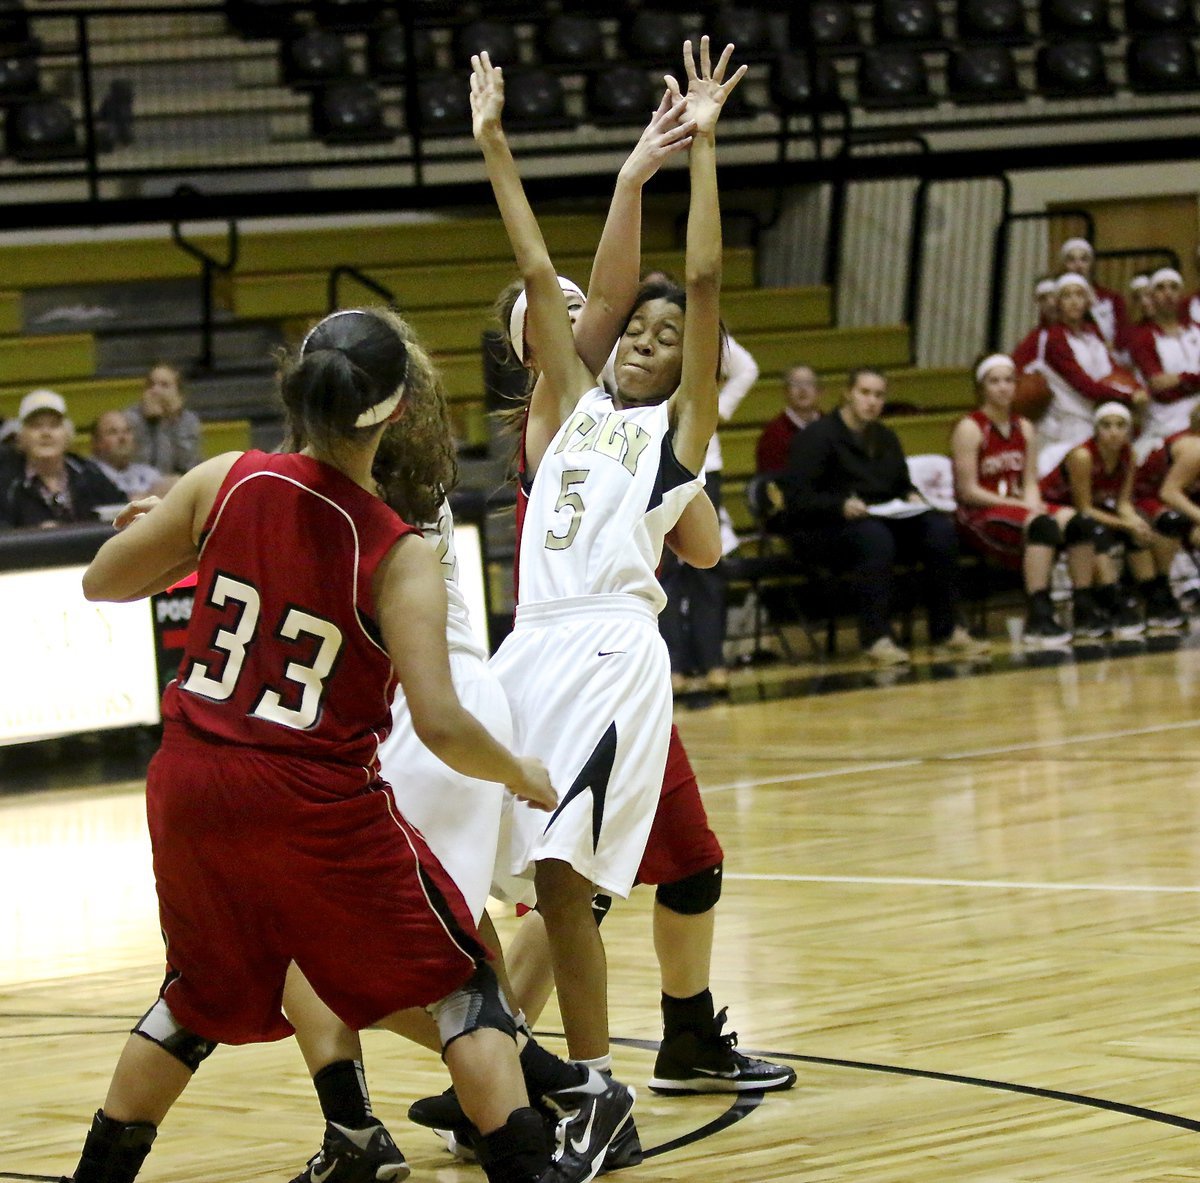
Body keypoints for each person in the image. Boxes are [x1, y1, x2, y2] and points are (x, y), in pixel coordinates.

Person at [58, 307, 573, 1183]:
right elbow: (441, 724)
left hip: (189, 783)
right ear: (397, 408)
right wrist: (524, 772)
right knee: (464, 987)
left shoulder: (225, 480)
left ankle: (95, 1177)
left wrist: (182, 537)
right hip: (309, 797)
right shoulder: (395, 549)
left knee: (193, 999)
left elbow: (103, 581)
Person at [275, 316, 637, 1183]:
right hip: (469, 702)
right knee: (459, 936)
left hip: (410, 717)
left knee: (308, 944)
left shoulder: (331, 482)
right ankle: (495, 1105)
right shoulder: (418, 463)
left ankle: (513, 1085)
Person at [472, 35, 745, 1104]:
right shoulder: (564, 411)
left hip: (609, 657)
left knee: (576, 882)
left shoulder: (659, 430)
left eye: (652, 327)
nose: (615, 319)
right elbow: (547, 274)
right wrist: (495, 146)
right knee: (547, 886)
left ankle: (564, 1073)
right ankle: (506, 1058)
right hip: (539, 652)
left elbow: (697, 283)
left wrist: (683, 160)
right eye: (592, 318)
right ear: (541, 347)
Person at [783, 367, 990, 665]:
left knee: (938, 530)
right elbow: (798, 499)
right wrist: (839, 505)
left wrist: (911, 495)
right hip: (824, 528)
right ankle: (876, 637)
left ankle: (948, 631)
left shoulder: (885, 437)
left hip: (880, 520)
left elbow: (900, 483)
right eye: (865, 393)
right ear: (848, 394)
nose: (872, 401)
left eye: (879, 395)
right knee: (874, 538)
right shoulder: (816, 437)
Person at [950, 353, 1096, 647]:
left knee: (1079, 523)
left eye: (1008, 381)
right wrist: (1024, 508)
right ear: (981, 388)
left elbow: (1029, 481)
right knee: (1041, 525)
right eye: (995, 382)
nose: (1003, 388)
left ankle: (1085, 608)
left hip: (1017, 507)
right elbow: (967, 490)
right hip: (979, 513)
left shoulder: (1024, 427)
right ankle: (1039, 616)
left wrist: (1032, 502)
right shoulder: (970, 427)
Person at [1039, 401, 1184, 635]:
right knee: (1095, 532)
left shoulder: (1129, 455)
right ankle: (1109, 597)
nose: (1114, 432)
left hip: (1095, 511)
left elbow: (1123, 503)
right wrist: (1125, 523)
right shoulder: (1083, 456)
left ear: (1129, 430)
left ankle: (1154, 593)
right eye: (1106, 426)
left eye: (1120, 426)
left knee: (1138, 530)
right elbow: (1083, 507)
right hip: (1058, 510)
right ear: (1096, 429)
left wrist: (1134, 523)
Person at [1038, 273, 1147, 470]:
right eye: (1067, 296)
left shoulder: (1092, 332)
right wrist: (1128, 395)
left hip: (1097, 412)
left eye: (1079, 295)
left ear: (1087, 301)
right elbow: (1083, 384)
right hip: (1069, 419)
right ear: (1058, 302)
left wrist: (1136, 386)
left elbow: (1113, 368)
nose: (1074, 301)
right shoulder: (1055, 338)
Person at [0, 389, 125, 529]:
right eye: (36, 426)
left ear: (67, 434)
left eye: (54, 425)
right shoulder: (6, 484)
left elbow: (123, 510)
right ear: (21, 437)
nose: (46, 433)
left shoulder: (88, 472)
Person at [1126, 267, 1200, 444]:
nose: (1168, 294)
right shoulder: (1142, 338)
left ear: (1181, 294)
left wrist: (1179, 378)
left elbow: (1171, 384)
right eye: (1161, 288)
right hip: (1167, 420)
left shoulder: (1196, 330)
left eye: (1174, 287)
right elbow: (1162, 389)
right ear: (1151, 296)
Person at [124, 363, 202, 475]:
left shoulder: (188, 420)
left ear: (179, 395)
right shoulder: (130, 418)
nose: (155, 391)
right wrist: (150, 423)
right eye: (151, 385)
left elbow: (188, 465)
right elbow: (136, 465)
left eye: (164, 385)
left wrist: (171, 420)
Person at [1060, 236, 1129, 352]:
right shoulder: (1057, 300)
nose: (1078, 265)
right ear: (1064, 265)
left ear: (1091, 264)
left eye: (1084, 259)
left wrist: (1112, 346)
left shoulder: (1112, 298)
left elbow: (1124, 331)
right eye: (1072, 260)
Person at [755, 363, 822, 475]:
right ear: (785, 392)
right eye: (796, 384)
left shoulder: (833, 428)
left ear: (819, 391)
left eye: (808, 383)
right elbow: (770, 483)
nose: (803, 389)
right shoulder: (773, 435)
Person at [90, 410, 170, 499]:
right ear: (96, 442)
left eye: (127, 431)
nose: (123, 438)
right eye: (113, 432)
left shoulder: (149, 474)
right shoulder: (87, 476)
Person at [1010, 278, 1058, 375]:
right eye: (1043, 299)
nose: (1050, 303)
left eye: (1054, 296)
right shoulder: (1034, 339)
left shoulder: (1086, 332)